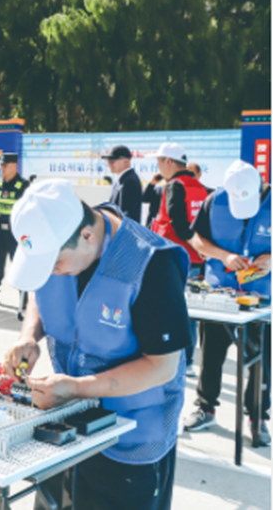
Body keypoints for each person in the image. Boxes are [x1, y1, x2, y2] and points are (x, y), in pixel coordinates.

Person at [3, 179, 190, 510]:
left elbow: (162, 366)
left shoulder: (150, 263)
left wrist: (77, 388)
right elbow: (41, 290)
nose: (52, 273)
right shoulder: (67, 248)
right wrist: (29, 335)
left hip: (131, 436)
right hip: (66, 420)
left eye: (54, 264)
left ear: (88, 236)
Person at [183, 160, 271, 444]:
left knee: (262, 360)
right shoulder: (214, 200)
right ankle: (205, 408)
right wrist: (224, 256)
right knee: (211, 354)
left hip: (261, 297)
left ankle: (257, 416)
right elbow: (197, 239)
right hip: (219, 293)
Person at [150, 142, 207, 373]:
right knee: (190, 311)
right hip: (197, 259)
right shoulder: (200, 187)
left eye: (158, 161)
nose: (157, 167)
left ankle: (174, 361)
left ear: (168, 161)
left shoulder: (175, 185)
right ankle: (189, 361)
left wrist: (193, 241)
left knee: (172, 309)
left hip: (175, 258)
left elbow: (178, 221)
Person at [0, 153, 29, 305]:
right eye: (1, 165)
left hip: (16, 233)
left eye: (5, 165)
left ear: (14, 166)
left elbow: (28, 209)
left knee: (19, 266)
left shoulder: (24, 185)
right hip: (0, 231)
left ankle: (24, 300)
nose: (2, 168)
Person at [101, 144, 142, 222]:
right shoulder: (124, 179)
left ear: (126, 161)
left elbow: (125, 216)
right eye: (108, 160)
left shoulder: (129, 182)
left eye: (112, 160)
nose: (109, 163)